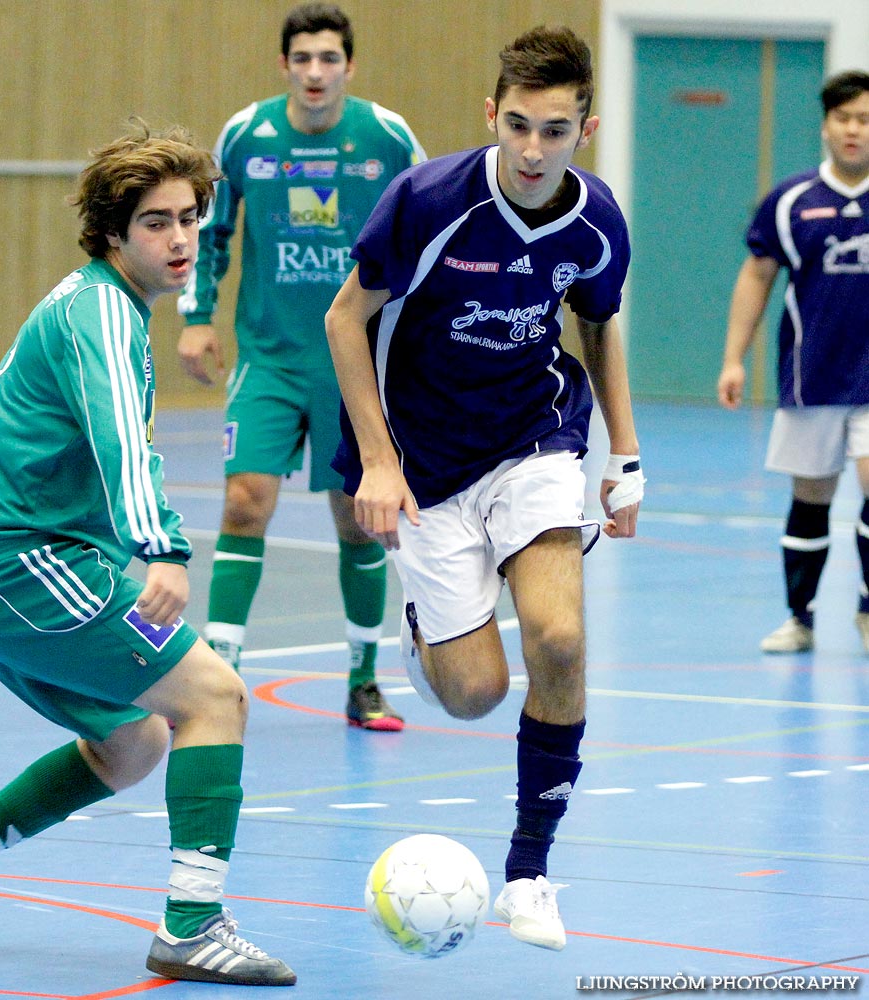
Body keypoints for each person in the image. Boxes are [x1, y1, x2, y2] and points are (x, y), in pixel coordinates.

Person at [0, 120, 296, 987]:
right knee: (216, 695)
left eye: (190, 216)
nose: (181, 237)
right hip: (14, 562)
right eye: (157, 222)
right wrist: (165, 550)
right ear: (114, 232)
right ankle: (191, 924)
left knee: (134, 741)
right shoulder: (103, 312)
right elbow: (121, 444)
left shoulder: (97, 305)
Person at [325, 25, 644, 951]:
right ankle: (428, 628)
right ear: (490, 117)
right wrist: (379, 463)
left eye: (556, 128)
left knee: (560, 636)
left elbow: (598, 326)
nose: (535, 149)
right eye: (519, 126)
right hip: (424, 461)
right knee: (472, 695)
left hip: (534, 440)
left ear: (587, 125)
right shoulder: (426, 202)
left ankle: (530, 873)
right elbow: (347, 321)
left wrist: (624, 457)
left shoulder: (597, 221)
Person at [176, 2, 426, 731]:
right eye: (303, 59)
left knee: (358, 522)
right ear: (284, 65)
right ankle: (216, 680)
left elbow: (429, 230)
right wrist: (196, 319)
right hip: (270, 360)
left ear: (349, 65)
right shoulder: (247, 136)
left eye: (329, 59)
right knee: (243, 503)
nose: (316, 72)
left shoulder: (386, 138)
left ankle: (363, 680)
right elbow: (208, 230)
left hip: (356, 368)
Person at [718, 70, 869, 655]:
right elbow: (756, 277)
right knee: (812, 499)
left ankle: (865, 607)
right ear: (827, 126)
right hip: (813, 379)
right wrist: (734, 359)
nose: (854, 130)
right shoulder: (791, 200)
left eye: (864, 119)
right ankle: (801, 618)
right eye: (844, 119)